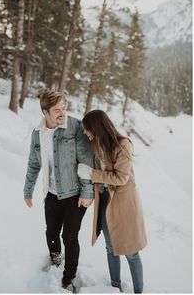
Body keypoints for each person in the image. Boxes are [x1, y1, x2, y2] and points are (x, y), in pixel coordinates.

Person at [23, 90, 93, 293]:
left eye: (64, 108)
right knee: (51, 232)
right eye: (56, 110)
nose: (62, 113)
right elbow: (33, 164)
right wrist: (28, 190)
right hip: (52, 194)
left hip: (75, 194)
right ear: (45, 112)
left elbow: (86, 161)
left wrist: (87, 192)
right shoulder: (38, 133)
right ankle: (55, 258)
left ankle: (69, 277)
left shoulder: (75, 127)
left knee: (69, 236)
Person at [77, 110, 147, 294]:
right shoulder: (95, 146)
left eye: (88, 129)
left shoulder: (123, 145)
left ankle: (139, 291)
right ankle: (115, 287)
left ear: (97, 128)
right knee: (110, 247)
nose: (85, 133)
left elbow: (121, 177)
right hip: (105, 201)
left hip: (123, 204)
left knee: (131, 252)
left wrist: (93, 175)